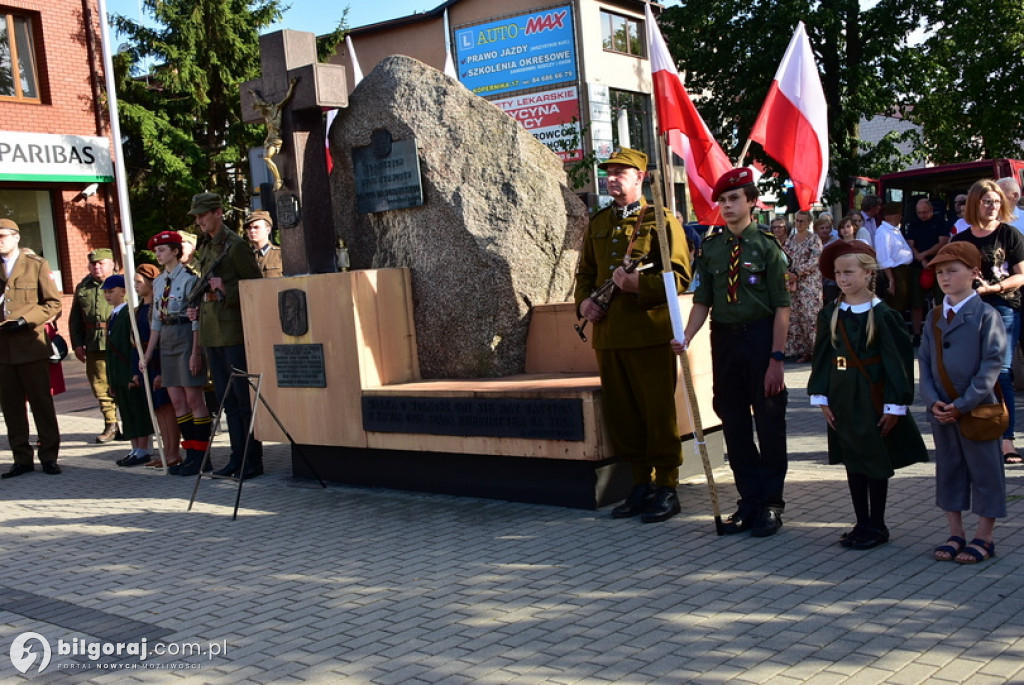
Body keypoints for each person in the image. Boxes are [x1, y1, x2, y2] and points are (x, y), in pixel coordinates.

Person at [573, 148, 692, 523]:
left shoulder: (660, 220)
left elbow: (681, 277)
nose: (612, 178)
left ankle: (667, 486)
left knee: (657, 413)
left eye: (621, 172)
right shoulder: (599, 221)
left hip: (648, 333)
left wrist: (640, 283)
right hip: (609, 335)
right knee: (623, 416)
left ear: (640, 178)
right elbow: (585, 276)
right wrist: (583, 306)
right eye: (609, 172)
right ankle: (641, 484)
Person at [681, 167, 790, 537]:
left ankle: (771, 503)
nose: (727, 207)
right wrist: (685, 336)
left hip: (760, 339)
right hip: (724, 340)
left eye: (734, 199)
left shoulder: (767, 246)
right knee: (734, 422)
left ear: (751, 202)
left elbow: (782, 307)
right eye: (722, 201)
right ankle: (749, 500)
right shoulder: (712, 248)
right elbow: (702, 301)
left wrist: (777, 358)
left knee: (769, 422)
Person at [808, 240, 927, 549]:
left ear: (867, 273)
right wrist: (821, 397)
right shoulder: (830, 314)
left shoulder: (883, 315)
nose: (843, 279)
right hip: (842, 397)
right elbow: (822, 356)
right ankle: (861, 522)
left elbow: (897, 362)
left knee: (874, 459)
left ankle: (878, 524)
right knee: (852, 458)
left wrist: (895, 404)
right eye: (838, 273)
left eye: (849, 272)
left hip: (872, 397)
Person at [919, 242, 1006, 564]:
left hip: (977, 409)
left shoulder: (986, 314)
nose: (944, 277)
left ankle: (985, 535)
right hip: (943, 410)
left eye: (952, 271)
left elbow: (992, 363)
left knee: (986, 471)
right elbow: (925, 363)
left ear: (973, 273)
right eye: (940, 272)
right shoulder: (934, 316)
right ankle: (955, 532)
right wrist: (932, 402)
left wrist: (964, 402)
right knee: (950, 470)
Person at [187, 192, 265, 479]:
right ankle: (236, 457)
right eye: (196, 216)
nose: (199, 221)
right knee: (227, 402)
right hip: (212, 333)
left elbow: (256, 288)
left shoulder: (235, 246)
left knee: (243, 402)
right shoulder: (207, 246)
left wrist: (226, 290)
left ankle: (252, 460)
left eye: (203, 215)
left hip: (233, 333)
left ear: (218, 212)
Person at [950, 180, 1024, 465]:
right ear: (974, 204)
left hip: (1005, 306)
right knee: (971, 371)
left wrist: (996, 288)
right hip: (971, 309)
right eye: (986, 201)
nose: (992, 206)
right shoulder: (961, 239)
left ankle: (1008, 440)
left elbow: (1021, 275)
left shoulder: (1009, 234)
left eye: (995, 201)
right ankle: (976, 432)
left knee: (1001, 372)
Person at [141, 231, 212, 476]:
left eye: (162, 250)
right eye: (156, 251)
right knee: (178, 402)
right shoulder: (159, 281)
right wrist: (148, 355)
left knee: (194, 400)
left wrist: (196, 352)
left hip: (185, 335)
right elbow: (156, 322)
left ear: (175, 251)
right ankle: (189, 453)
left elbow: (196, 319)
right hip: (167, 341)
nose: (158, 254)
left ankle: (202, 456)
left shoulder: (191, 278)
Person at [0, 218, 63, 477]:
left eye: (3, 235)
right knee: (11, 407)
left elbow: (53, 303)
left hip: (30, 343)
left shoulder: (35, 265)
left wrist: (26, 320)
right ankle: (21, 458)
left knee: (41, 403)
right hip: (3, 349)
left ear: (16, 238)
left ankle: (48, 455)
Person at [101, 275, 155, 467]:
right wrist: (111, 380)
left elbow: (132, 345)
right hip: (118, 374)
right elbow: (109, 353)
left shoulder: (128, 314)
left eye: (112, 291)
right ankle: (134, 448)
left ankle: (143, 449)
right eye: (106, 292)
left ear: (124, 291)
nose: (108, 295)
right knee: (126, 412)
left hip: (128, 372)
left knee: (137, 411)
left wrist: (133, 372)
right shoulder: (113, 316)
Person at [69, 248, 120, 442]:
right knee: (100, 386)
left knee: (123, 383)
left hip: (118, 341)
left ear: (112, 264)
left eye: (101, 263)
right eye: (93, 264)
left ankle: (132, 427)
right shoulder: (83, 286)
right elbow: (75, 318)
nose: (97, 267)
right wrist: (77, 343)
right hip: (94, 342)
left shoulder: (123, 283)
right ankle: (111, 425)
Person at [133, 263, 180, 468]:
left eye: (138, 281)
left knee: (167, 407)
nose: (135, 285)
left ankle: (173, 452)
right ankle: (164, 452)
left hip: (160, 359)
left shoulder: (158, 306)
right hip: (146, 361)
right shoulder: (137, 309)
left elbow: (160, 336)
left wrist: (160, 371)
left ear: (151, 283)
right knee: (158, 409)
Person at [906, 197, 949, 346]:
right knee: (916, 303)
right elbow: (910, 244)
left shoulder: (940, 222)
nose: (922, 215)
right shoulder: (913, 224)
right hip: (918, 266)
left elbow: (943, 242)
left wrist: (926, 257)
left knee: (941, 301)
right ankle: (917, 334)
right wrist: (921, 259)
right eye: (919, 213)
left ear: (931, 210)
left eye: (925, 212)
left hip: (938, 265)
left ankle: (942, 332)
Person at [785, 211, 823, 362]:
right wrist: (788, 272)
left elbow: (815, 260)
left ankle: (817, 351)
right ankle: (805, 351)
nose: (798, 224)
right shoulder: (791, 239)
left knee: (811, 317)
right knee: (797, 317)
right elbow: (785, 256)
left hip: (809, 284)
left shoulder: (814, 239)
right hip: (794, 284)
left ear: (808, 223)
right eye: (797, 221)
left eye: (802, 221)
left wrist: (798, 272)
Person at [874, 203, 913, 315]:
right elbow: (884, 259)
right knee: (895, 305)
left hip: (902, 270)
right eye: (898, 214)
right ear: (891, 216)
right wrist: (891, 280)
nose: (900, 217)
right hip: (894, 272)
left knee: (902, 303)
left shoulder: (895, 230)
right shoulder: (883, 232)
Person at [244, 210, 283, 278]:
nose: (252, 231)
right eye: (249, 228)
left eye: (256, 227)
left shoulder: (280, 255)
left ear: (268, 229)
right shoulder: (244, 257)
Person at [816, 216, 839, 303]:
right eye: (822, 228)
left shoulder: (835, 242)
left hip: (831, 281)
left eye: (827, 228)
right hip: (817, 281)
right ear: (816, 229)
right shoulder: (813, 241)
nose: (825, 230)